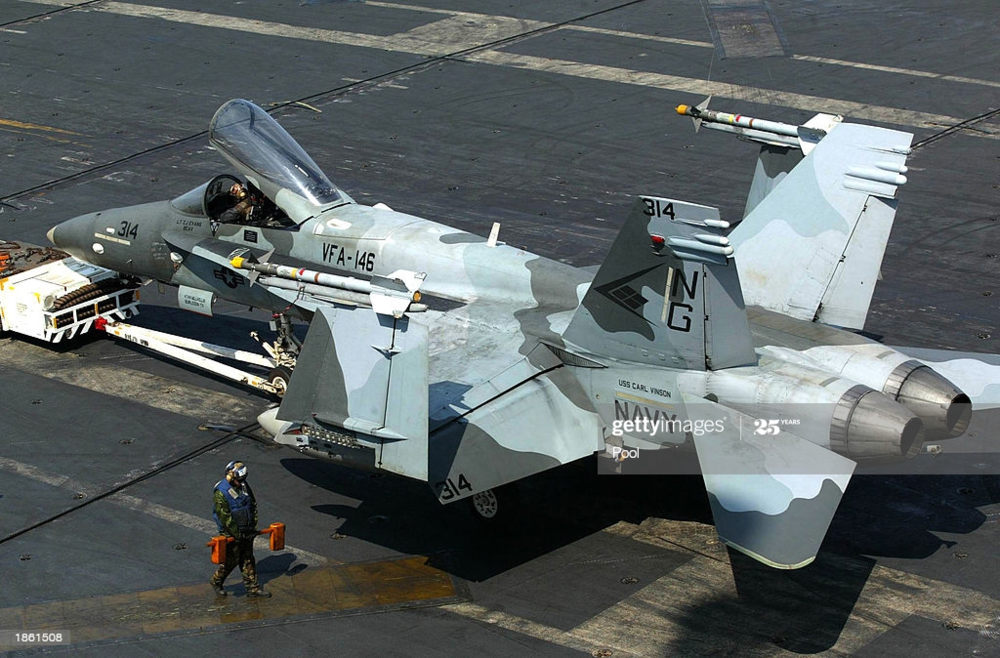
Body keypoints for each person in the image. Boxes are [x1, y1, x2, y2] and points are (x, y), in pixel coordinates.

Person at [209, 460, 272, 598]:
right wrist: (237, 534)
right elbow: (225, 517)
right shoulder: (221, 492)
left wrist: (252, 527)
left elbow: (252, 504)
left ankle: (253, 589)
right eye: (238, 480)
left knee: (247, 558)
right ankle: (216, 580)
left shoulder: (243, 485)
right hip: (231, 532)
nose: (240, 483)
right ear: (231, 476)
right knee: (232, 560)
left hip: (246, 530)